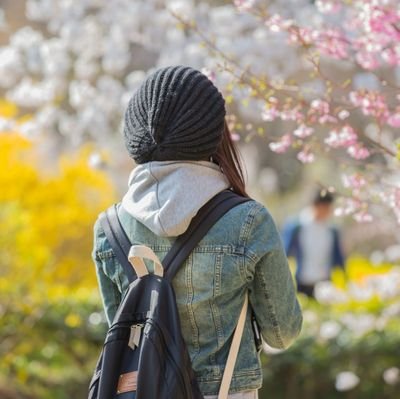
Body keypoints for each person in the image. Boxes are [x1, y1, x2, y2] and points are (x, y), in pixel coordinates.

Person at [92, 65, 302, 399]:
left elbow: (123, 333)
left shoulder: (109, 228)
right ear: (210, 133)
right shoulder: (247, 220)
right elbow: (282, 333)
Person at [282, 190, 345, 298]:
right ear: (315, 205)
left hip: (325, 283)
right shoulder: (297, 227)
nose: (327, 211)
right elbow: (284, 253)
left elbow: (338, 257)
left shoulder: (332, 230)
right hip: (301, 283)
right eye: (324, 207)